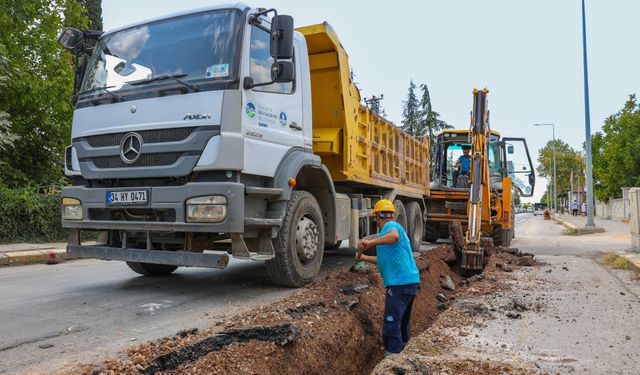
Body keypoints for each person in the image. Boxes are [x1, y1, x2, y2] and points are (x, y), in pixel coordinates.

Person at [357, 199, 421, 355]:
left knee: (391, 322)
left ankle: (391, 358)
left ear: (378, 217)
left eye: (376, 218)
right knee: (403, 321)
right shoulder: (390, 231)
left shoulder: (390, 227)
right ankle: (404, 350)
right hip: (409, 282)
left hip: (399, 284)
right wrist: (364, 258)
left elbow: (394, 237)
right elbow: (384, 260)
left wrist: (370, 243)